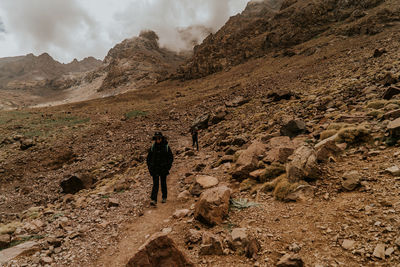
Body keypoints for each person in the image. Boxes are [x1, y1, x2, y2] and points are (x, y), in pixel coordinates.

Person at [146, 132, 173, 206]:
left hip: (163, 168)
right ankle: (154, 199)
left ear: (161, 138)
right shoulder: (153, 147)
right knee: (155, 184)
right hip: (155, 168)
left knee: (163, 183)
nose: (158, 140)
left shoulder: (166, 146)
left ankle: (164, 197)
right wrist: (150, 167)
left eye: (159, 138)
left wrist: (168, 167)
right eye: (156, 138)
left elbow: (170, 158)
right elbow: (148, 158)